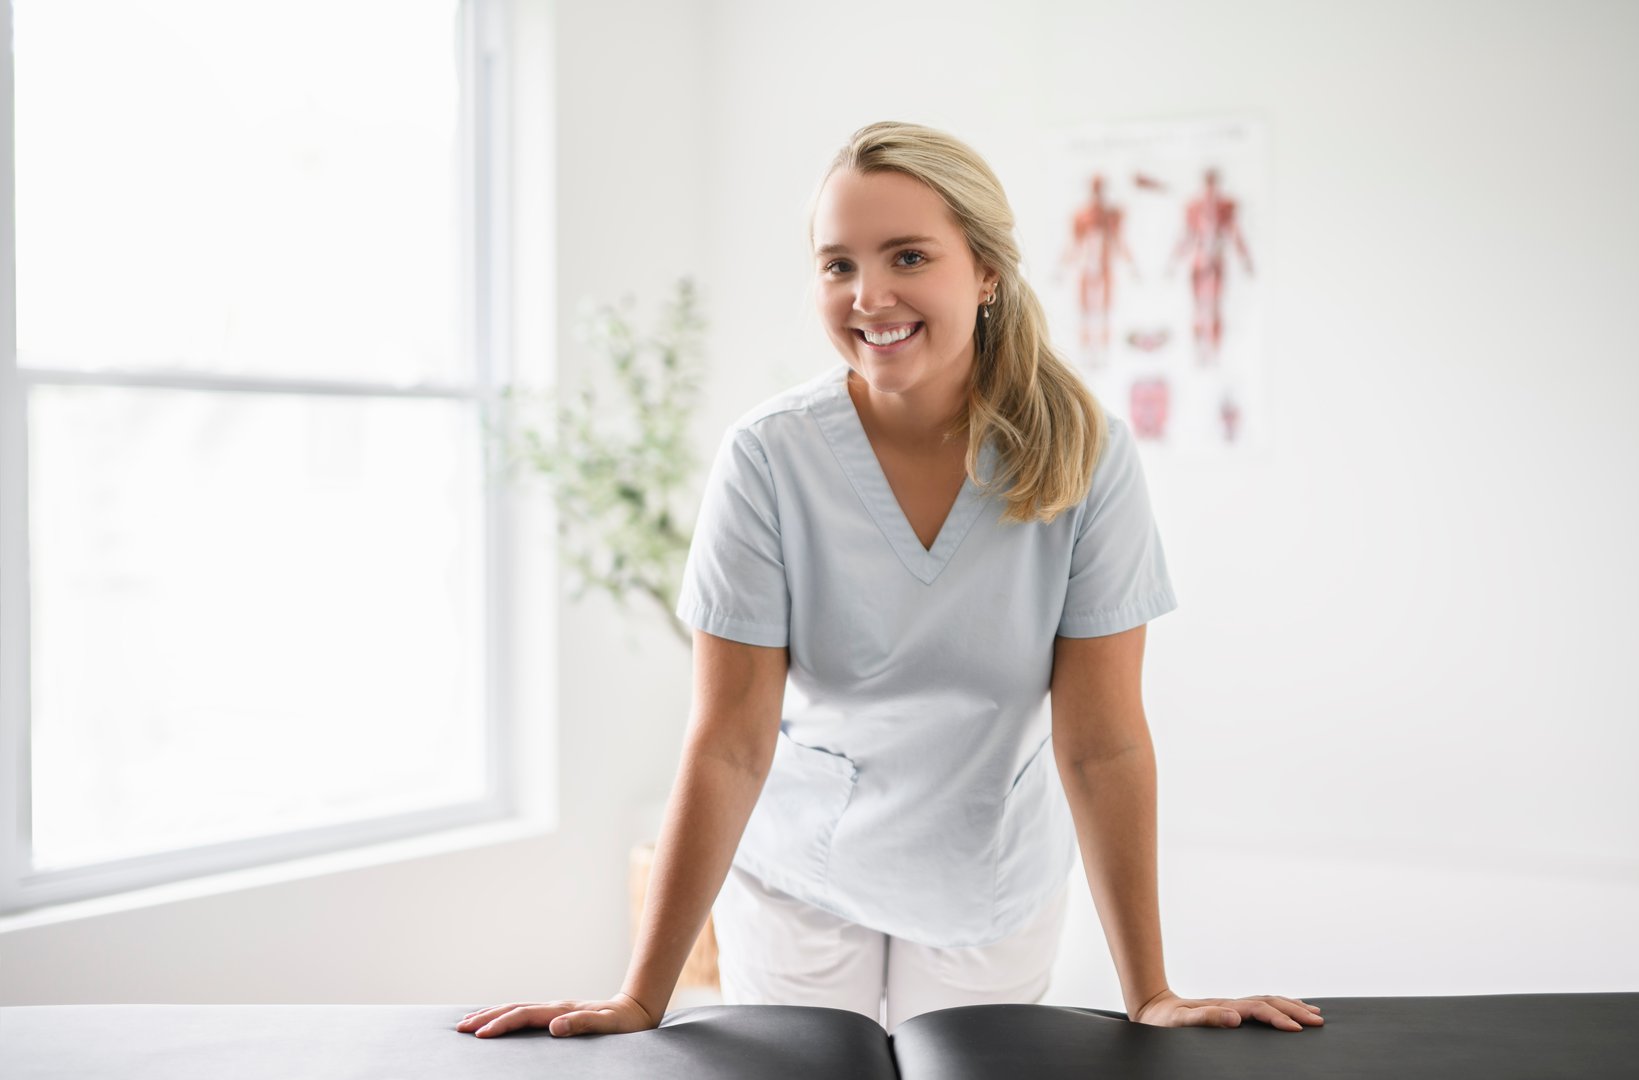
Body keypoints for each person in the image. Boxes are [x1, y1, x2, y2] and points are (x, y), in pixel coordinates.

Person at [456, 120, 1323, 1041]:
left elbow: (1101, 743)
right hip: (799, 880)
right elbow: (729, 741)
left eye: (908, 256)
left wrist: (1150, 992)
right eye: (838, 265)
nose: (870, 296)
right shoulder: (769, 458)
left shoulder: (1086, 454)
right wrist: (642, 996)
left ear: (985, 271)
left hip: (985, 879)